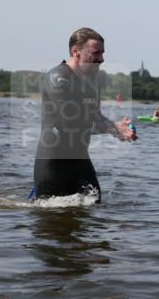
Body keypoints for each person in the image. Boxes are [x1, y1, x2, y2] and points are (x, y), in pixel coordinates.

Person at [33, 27, 136, 201]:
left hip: (80, 161)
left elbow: (95, 117)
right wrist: (111, 127)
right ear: (76, 52)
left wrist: (118, 129)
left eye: (102, 53)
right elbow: (70, 123)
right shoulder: (58, 77)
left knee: (94, 210)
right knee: (55, 224)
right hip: (53, 164)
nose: (101, 59)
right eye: (96, 53)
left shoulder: (93, 80)